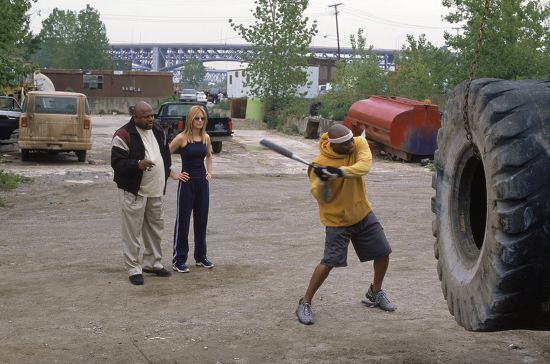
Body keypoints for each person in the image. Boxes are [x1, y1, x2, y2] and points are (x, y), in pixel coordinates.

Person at [296, 124, 396, 325]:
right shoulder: (319, 164)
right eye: (345, 143)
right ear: (335, 146)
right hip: (337, 221)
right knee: (329, 262)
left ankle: (375, 292)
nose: (351, 144)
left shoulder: (359, 143)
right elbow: (321, 197)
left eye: (351, 140)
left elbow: (363, 167)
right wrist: (325, 181)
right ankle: (305, 302)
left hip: (362, 213)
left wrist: (338, 172)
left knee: (383, 253)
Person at [111, 101, 172, 285]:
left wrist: (166, 172)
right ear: (135, 117)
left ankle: (153, 263)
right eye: (146, 116)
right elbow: (117, 164)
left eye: (152, 115)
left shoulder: (158, 130)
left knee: (155, 229)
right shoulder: (123, 135)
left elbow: (165, 154)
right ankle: (133, 268)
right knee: (132, 232)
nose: (150, 119)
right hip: (133, 191)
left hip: (155, 190)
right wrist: (137, 164)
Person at [170, 105, 213, 273]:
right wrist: (173, 174)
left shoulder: (206, 138)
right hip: (187, 184)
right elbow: (165, 154)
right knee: (183, 222)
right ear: (190, 119)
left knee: (201, 221)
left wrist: (209, 172)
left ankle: (201, 257)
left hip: (202, 184)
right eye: (197, 118)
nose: (200, 121)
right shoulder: (181, 138)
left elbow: (209, 156)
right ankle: (178, 260)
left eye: (202, 118)